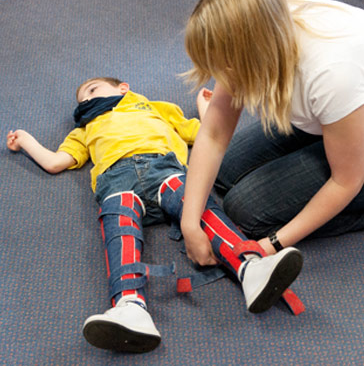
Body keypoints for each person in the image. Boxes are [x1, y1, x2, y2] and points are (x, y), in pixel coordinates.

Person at [7, 77, 303, 353]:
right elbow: (57, 161)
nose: (85, 101)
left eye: (92, 91)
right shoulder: (84, 129)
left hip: (164, 167)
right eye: (81, 100)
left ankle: (250, 267)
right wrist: (26, 141)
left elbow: (204, 135)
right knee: (118, 226)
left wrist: (206, 107)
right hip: (116, 177)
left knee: (198, 206)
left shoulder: (157, 108)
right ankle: (129, 305)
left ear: (123, 88)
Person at [180, 0, 364, 266]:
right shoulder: (257, 24)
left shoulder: (331, 73)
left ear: (253, 56)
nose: (220, 78)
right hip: (338, 112)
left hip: (349, 117)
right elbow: (214, 133)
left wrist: (272, 243)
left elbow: (346, 181)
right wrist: (189, 221)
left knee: (247, 214)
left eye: (224, 68)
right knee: (225, 172)